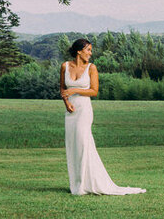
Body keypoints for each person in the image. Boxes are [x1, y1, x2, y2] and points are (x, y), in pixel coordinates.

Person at [60, 38, 145, 195]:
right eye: (88, 50)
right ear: (79, 51)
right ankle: (78, 184)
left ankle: (89, 184)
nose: (91, 53)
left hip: (84, 111)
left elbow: (94, 91)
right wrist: (67, 102)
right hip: (70, 111)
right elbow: (62, 89)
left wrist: (75, 91)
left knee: (84, 144)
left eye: (91, 50)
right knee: (73, 146)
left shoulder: (92, 68)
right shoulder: (65, 66)